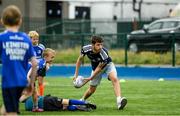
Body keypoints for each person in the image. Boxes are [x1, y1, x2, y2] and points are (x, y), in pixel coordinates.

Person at [0, 5, 37, 115]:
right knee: (6, 109)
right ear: (20, 21)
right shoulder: (26, 38)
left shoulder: (2, 38)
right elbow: (34, 63)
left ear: (2, 21)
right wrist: (31, 84)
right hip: (22, 81)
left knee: (11, 112)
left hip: (9, 82)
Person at [74, 35, 127, 110]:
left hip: (108, 65)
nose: (100, 47)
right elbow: (79, 60)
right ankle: (82, 100)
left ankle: (119, 101)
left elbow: (100, 68)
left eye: (101, 44)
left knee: (114, 79)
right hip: (95, 68)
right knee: (92, 89)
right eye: (98, 45)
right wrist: (75, 75)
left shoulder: (104, 53)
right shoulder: (85, 49)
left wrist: (90, 78)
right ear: (92, 45)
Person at [26, 48, 55, 112]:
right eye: (52, 57)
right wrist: (29, 82)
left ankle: (35, 108)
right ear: (45, 57)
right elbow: (30, 75)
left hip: (26, 76)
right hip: (25, 75)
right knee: (28, 93)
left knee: (34, 93)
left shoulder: (42, 62)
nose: (53, 59)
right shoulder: (41, 64)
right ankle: (11, 106)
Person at [21, 94, 96, 112]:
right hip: (46, 100)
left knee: (64, 107)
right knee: (66, 101)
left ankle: (77, 107)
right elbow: (37, 95)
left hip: (46, 108)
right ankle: (84, 103)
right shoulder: (30, 96)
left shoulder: (27, 107)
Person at [28, 31, 46, 96]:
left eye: (37, 39)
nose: (36, 40)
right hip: (32, 67)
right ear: (30, 39)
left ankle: (41, 96)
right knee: (31, 81)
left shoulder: (41, 47)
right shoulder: (28, 47)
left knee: (40, 82)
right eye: (34, 39)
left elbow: (44, 57)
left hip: (40, 67)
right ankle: (33, 94)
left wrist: (45, 64)